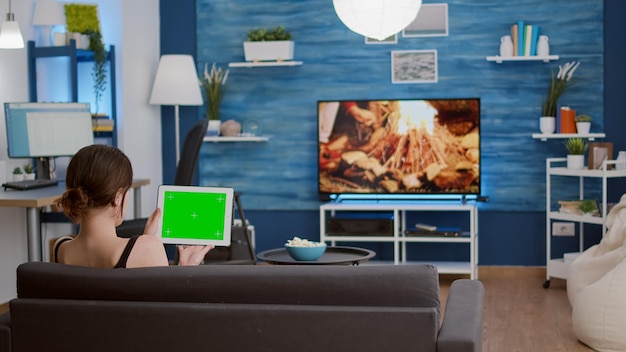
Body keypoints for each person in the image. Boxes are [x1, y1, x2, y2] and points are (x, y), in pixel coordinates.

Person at [53, 144, 213, 268]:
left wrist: (147, 239)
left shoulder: (60, 250)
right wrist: (186, 269)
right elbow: (169, 308)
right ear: (117, 197)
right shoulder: (146, 249)